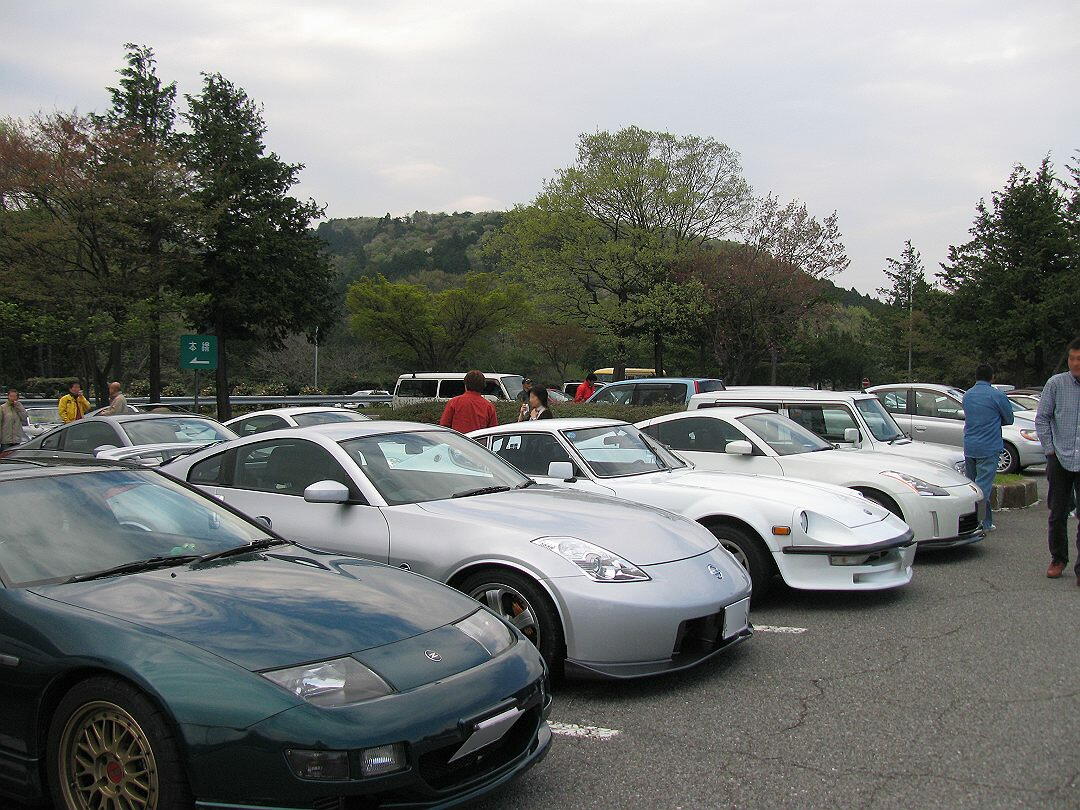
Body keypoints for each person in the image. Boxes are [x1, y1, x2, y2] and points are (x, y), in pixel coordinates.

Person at [1034, 336, 1080, 583]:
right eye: (1072, 358)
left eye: (1079, 359)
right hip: (1059, 458)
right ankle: (1058, 559)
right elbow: (1042, 418)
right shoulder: (1056, 384)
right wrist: (1050, 450)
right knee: (1058, 513)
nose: (1075, 363)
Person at [961, 364, 1014, 532]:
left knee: (972, 485)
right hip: (989, 446)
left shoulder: (967, 395)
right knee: (983, 488)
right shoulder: (997, 395)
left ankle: (984, 521)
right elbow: (1009, 419)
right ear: (992, 377)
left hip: (970, 445)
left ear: (976, 377)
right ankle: (979, 523)